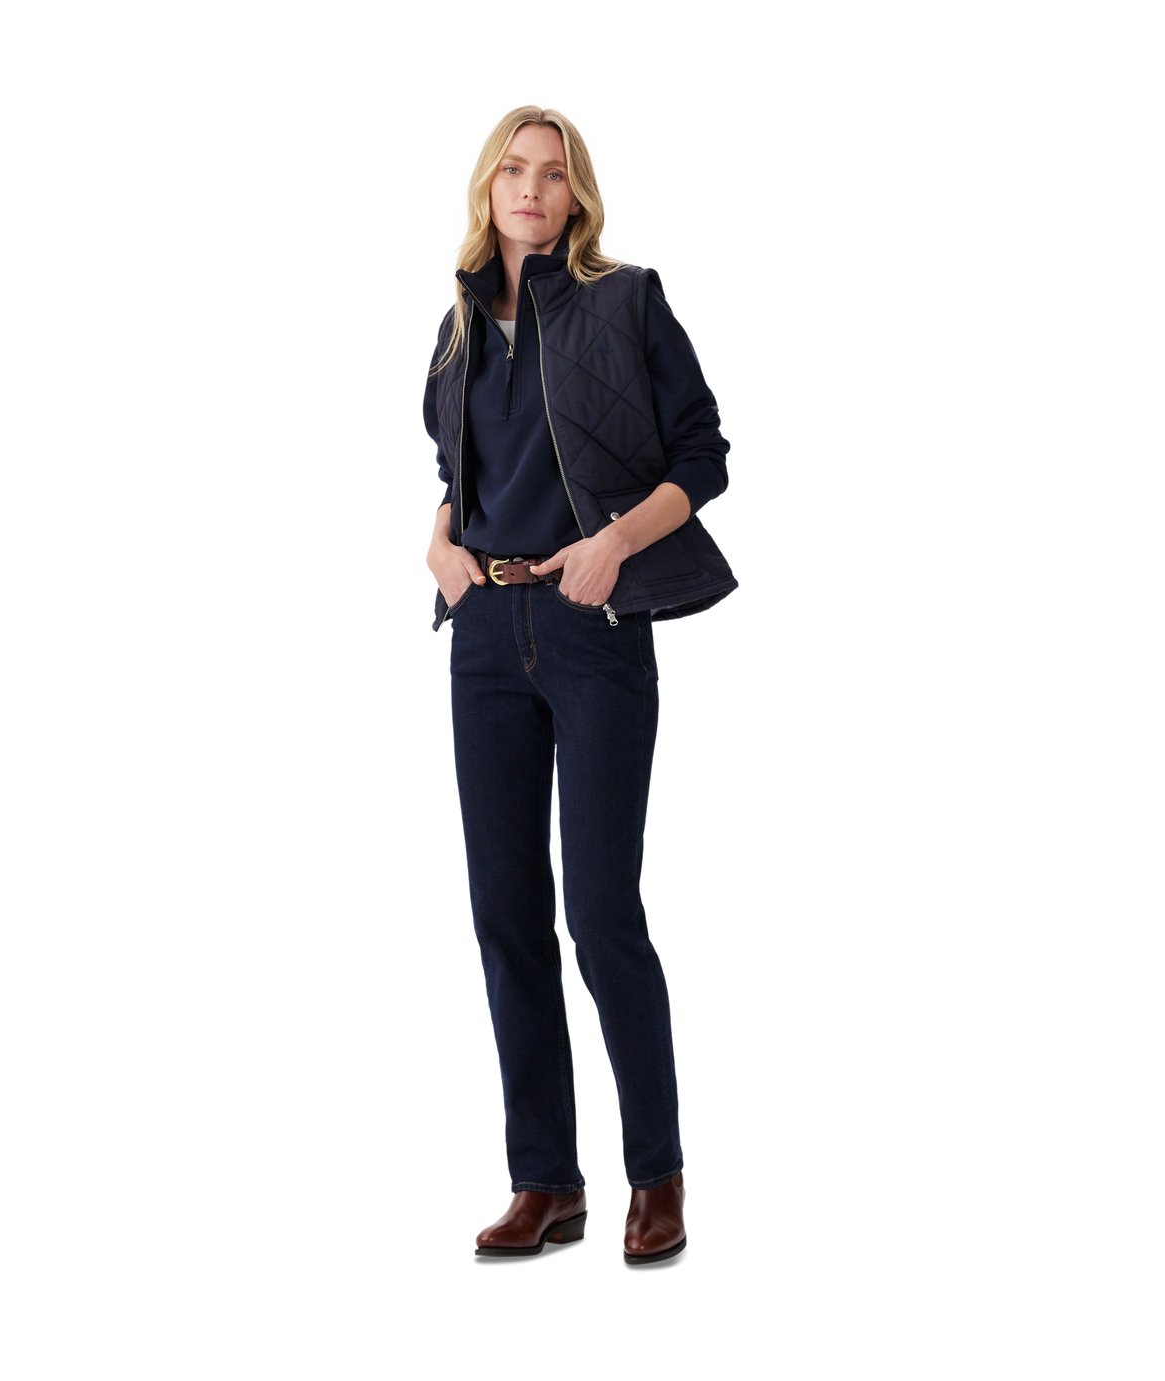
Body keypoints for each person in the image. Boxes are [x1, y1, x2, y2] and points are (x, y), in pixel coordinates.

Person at [419, 101, 740, 1263]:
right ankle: (544, 1178)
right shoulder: (457, 322)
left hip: (593, 624)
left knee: (600, 909)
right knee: (504, 912)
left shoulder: (628, 299)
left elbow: (704, 453)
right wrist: (437, 544)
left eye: (553, 173)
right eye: (514, 169)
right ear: (487, 186)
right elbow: (462, 469)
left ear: (579, 194)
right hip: (482, 634)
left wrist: (613, 546)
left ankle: (656, 1174)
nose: (532, 189)